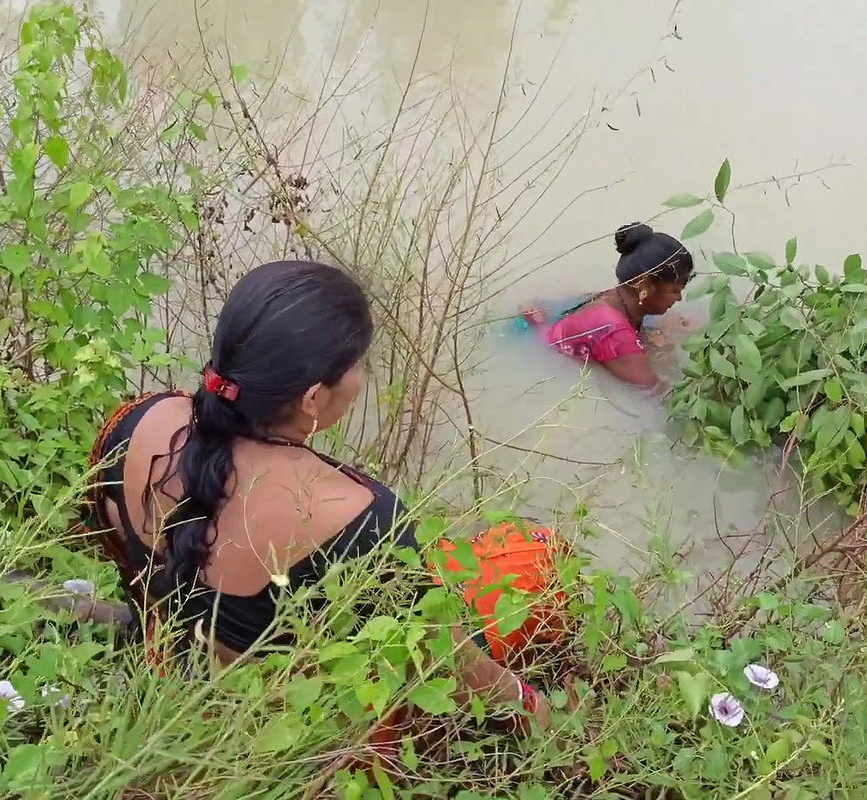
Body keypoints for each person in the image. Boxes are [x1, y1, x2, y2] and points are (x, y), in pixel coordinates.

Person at [81, 260, 567, 739]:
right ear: (312, 398)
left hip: (166, 653)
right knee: (536, 555)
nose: (360, 380)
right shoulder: (349, 514)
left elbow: (112, 533)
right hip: (277, 732)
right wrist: (533, 707)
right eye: (357, 365)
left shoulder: (142, 418)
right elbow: (449, 661)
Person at [525, 222, 695, 394]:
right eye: (675, 290)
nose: (679, 297)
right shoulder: (615, 334)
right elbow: (657, 395)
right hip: (536, 350)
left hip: (543, 327)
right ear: (643, 283)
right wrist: (668, 354)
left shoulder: (615, 298)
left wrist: (659, 328)